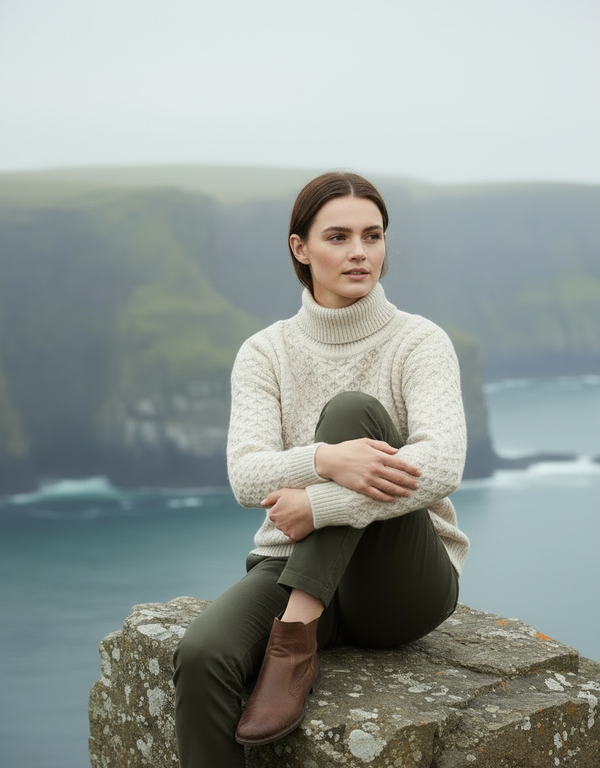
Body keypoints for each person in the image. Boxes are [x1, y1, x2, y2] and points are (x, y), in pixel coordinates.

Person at [172, 171, 469, 767]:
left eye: (373, 235)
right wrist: (324, 460)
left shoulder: (419, 341)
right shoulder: (265, 351)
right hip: (291, 558)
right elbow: (246, 477)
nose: (360, 252)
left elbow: (441, 465)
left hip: (400, 583)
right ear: (300, 248)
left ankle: (296, 635)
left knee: (353, 410)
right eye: (338, 236)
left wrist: (319, 504)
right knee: (203, 654)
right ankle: (299, 622)